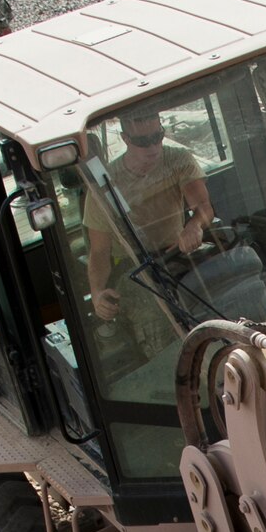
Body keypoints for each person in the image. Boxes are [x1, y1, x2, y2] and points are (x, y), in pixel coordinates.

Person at [84, 108, 214, 354]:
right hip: (137, 270)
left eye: (158, 137)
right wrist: (97, 292)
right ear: (125, 139)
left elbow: (204, 208)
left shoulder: (177, 160)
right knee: (161, 329)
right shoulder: (105, 185)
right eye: (143, 141)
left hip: (180, 254)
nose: (153, 147)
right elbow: (99, 251)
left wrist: (193, 225)